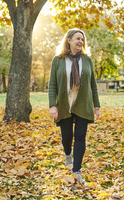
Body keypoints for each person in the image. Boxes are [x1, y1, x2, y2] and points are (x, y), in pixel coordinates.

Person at [48, 28, 100, 184]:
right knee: (66, 137)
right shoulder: (58, 60)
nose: (80, 42)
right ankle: (67, 153)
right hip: (65, 104)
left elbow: (93, 85)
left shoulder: (87, 60)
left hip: (82, 104)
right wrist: (52, 105)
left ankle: (76, 171)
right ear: (68, 40)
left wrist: (96, 105)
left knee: (80, 137)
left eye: (82, 40)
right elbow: (52, 84)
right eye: (77, 38)